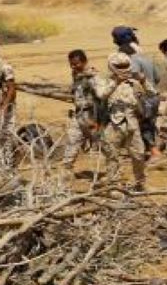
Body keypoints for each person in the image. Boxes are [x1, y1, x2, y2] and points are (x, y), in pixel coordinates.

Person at [92, 52, 149, 190]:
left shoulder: (133, 82)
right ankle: (113, 185)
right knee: (112, 155)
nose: (123, 69)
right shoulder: (102, 80)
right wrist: (115, 82)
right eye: (119, 66)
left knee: (139, 154)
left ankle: (140, 183)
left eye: (125, 66)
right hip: (113, 123)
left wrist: (143, 81)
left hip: (132, 123)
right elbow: (101, 95)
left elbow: (151, 93)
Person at [61, 49, 103, 177]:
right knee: (72, 140)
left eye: (76, 64)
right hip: (79, 115)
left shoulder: (93, 77)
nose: (74, 66)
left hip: (92, 115)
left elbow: (101, 97)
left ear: (84, 61)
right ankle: (67, 169)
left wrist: (97, 120)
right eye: (71, 64)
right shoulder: (75, 74)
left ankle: (113, 171)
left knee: (102, 143)